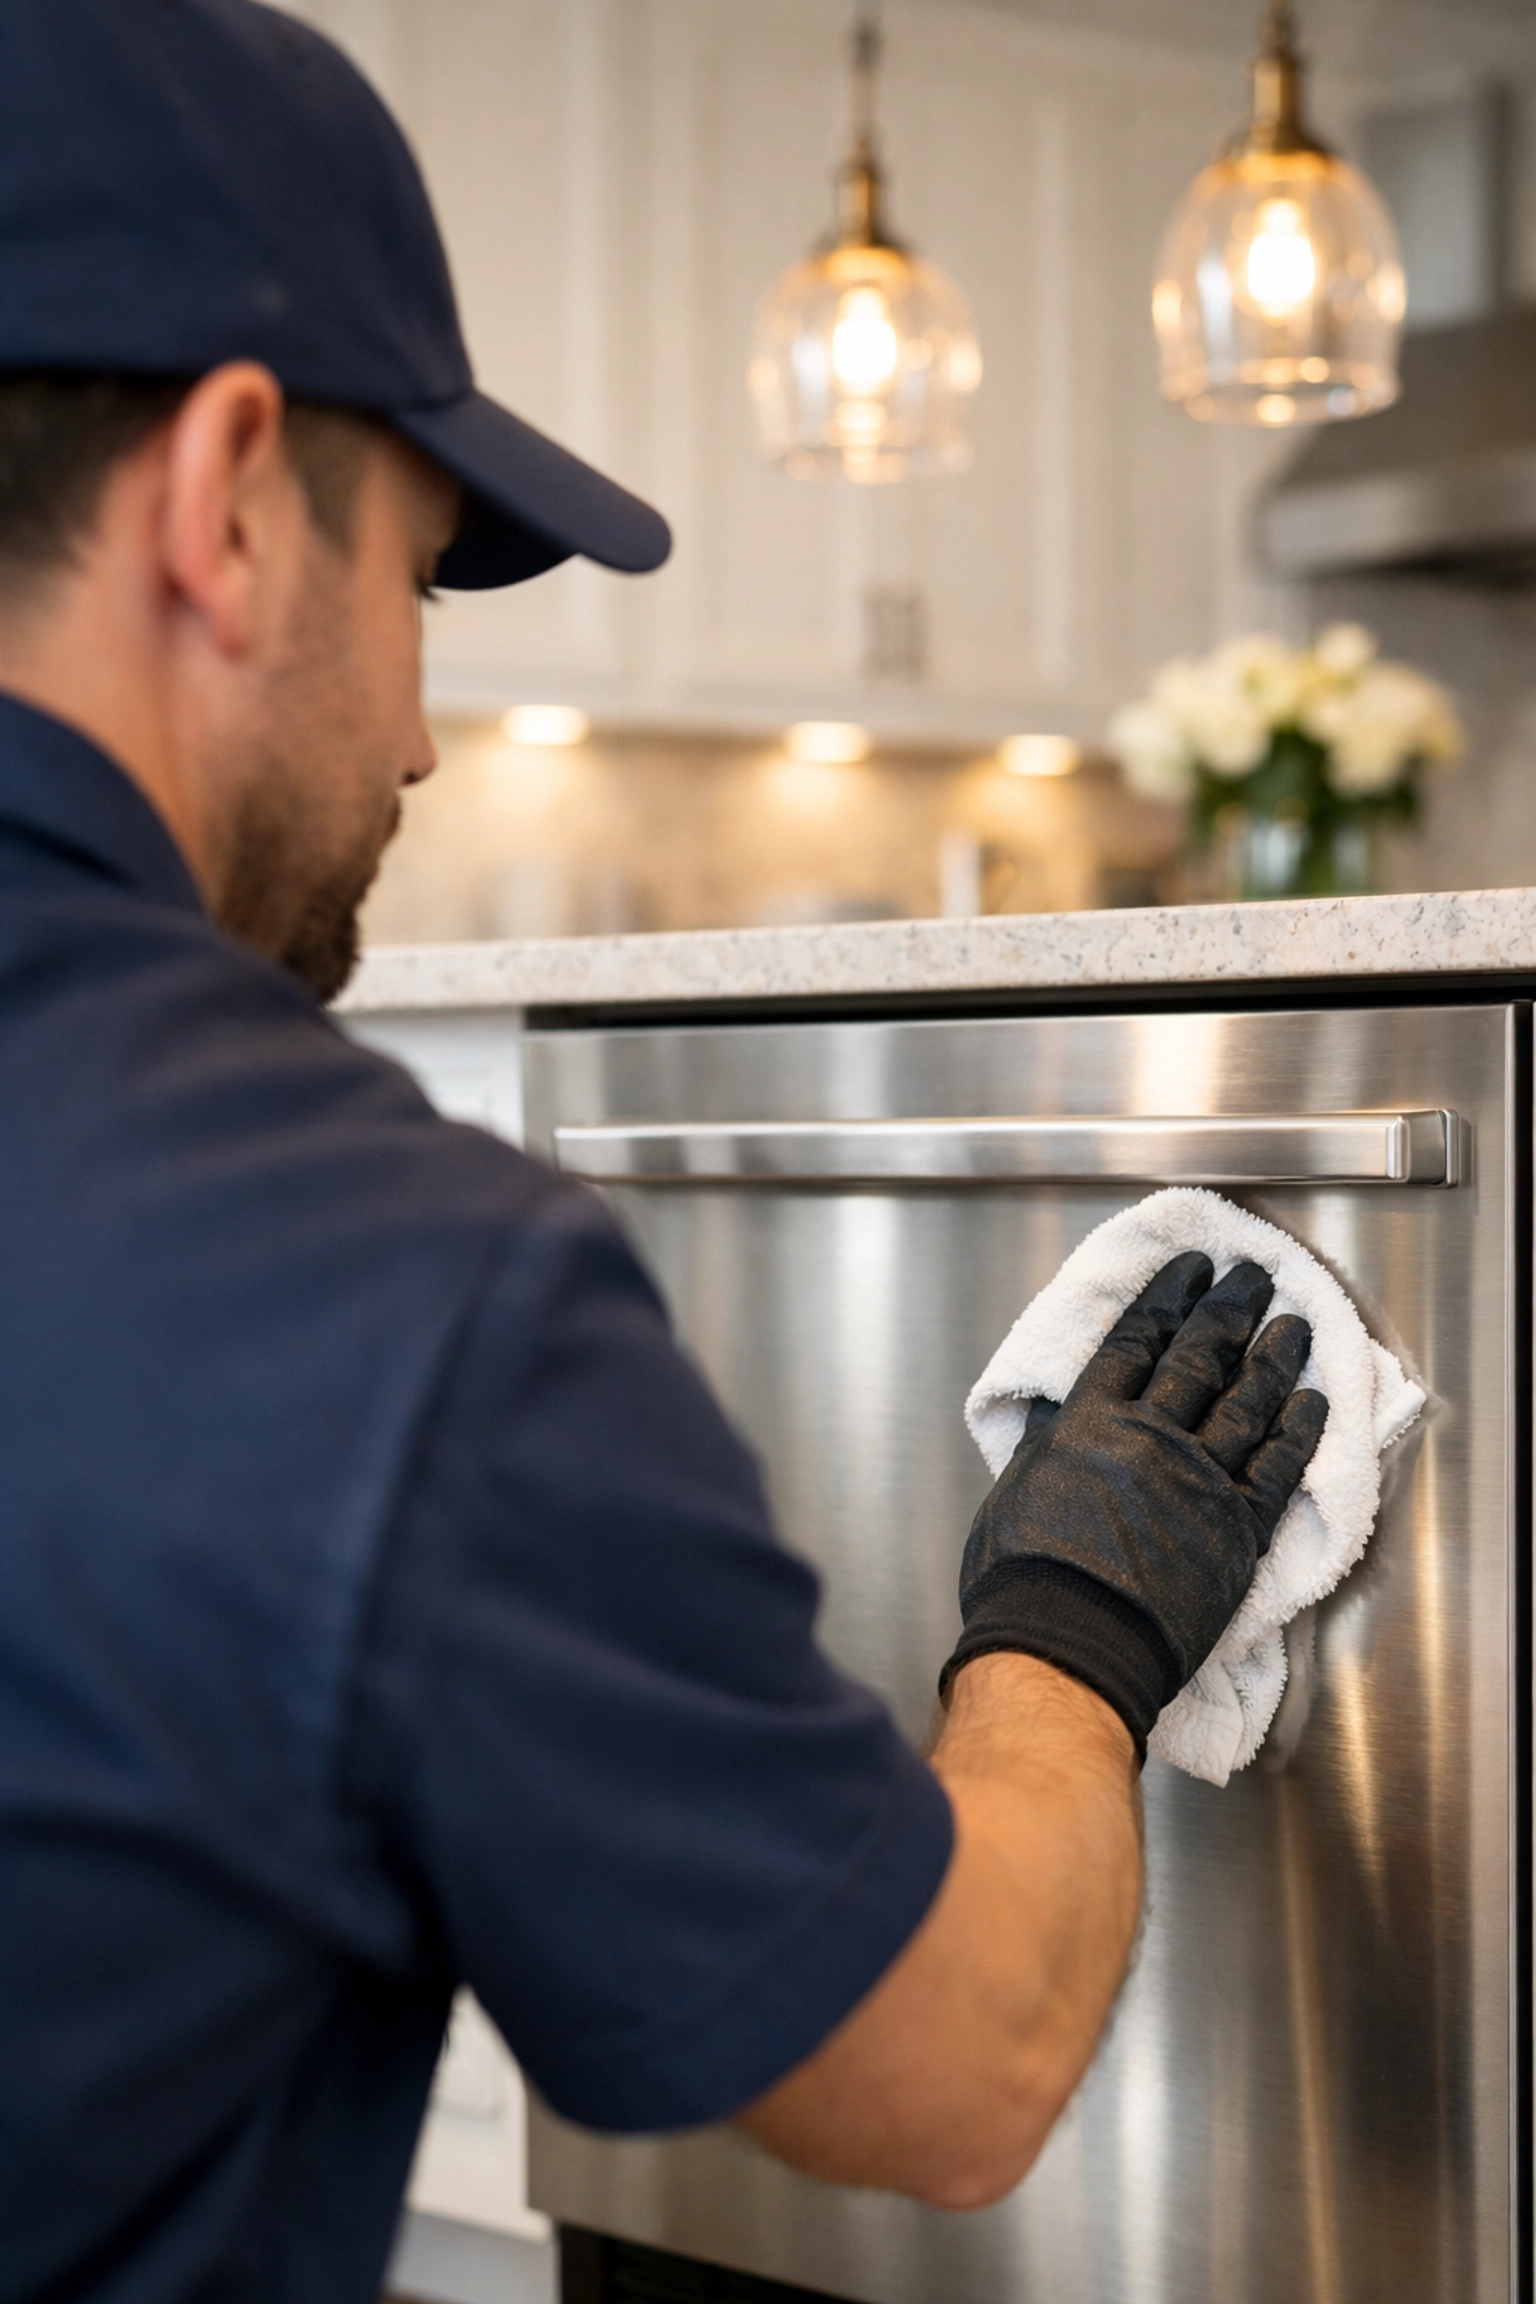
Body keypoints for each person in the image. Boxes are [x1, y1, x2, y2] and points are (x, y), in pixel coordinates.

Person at [0, 4, 1328, 2300]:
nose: (421, 734)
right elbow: (958, 2056)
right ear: (226, 503)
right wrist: (1070, 1630)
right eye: (417, 576)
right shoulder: (373, 1285)